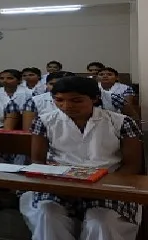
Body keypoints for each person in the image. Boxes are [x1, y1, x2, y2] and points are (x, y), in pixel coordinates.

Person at [20, 76, 143, 240]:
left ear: (95, 98)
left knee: (101, 221)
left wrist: (100, 187)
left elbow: (132, 166)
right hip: (59, 184)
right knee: (47, 214)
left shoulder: (120, 122)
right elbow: (38, 161)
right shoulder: (44, 121)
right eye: (59, 100)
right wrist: (61, 185)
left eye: (76, 101)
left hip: (108, 185)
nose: (67, 106)